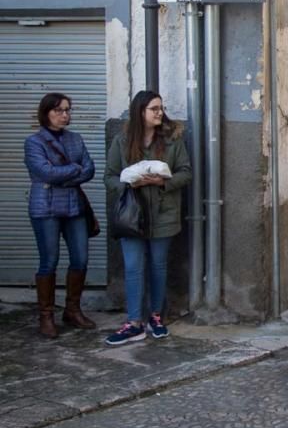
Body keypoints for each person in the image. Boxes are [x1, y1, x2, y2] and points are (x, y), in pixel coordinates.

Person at [104, 91, 192, 346]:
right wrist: (129, 183)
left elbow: (186, 173)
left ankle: (156, 316)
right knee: (133, 267)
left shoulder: (173, 141)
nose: (160, 113)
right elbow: (109, 176)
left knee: (158, 266)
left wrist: (162, 182)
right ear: (140, 111)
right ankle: (134, 323)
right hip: (131, 216)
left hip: (163, 214)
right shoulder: (122, 142)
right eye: (154, 108)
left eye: (161, 108)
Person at [24, 92, 97, 338]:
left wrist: (63, 174)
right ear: (46, 113)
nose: (64, 115)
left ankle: (72, 310)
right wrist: (72, 170)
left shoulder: (75, 139)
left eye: (67, 110)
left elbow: (89, 169)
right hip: (45, 209)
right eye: (58, 110)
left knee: (80, 258)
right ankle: (46, 315)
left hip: (74, 207)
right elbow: (45, 172)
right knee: (49, 261)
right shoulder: (34, 142)